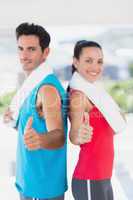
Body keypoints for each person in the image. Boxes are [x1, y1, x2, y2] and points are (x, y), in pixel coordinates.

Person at [3, 23, 68, 200]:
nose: (24, 55)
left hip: (43, 186)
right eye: (20, 49)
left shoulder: (46, 89)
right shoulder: (31, 86)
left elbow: (58, 135)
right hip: (30, 182)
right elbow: (37, 125)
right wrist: (16, 123)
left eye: (31, 49)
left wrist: (40, 140)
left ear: (45, 52)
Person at [68, 40, 126, 200]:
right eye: (88, 60)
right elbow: (74, 135)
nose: (95, 67)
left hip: (103, 178)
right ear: (75, 62)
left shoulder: (96, 94)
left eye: (99, 61)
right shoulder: (79, 96)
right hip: (89, 178)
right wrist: (79, 135)